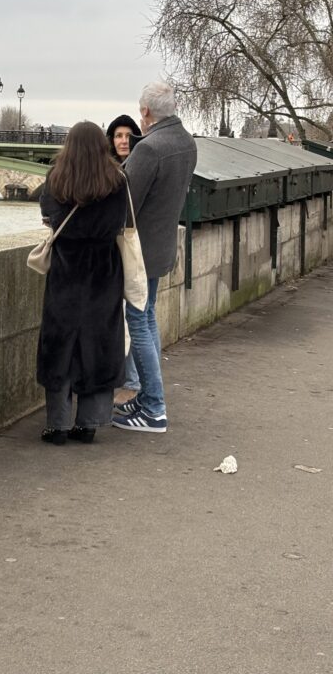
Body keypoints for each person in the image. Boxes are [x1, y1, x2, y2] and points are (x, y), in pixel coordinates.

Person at [112, 83, 197, 434]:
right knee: (147, 319)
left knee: (138, 322)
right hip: (162, 248)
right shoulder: (186, 143)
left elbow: (125, 205)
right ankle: (149, 397)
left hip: (140, 251)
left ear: (145, 112)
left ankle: (153, 408)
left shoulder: (149, 149)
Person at [37, 121, 127, 445]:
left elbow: (48, 217)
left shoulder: (56, 178)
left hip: (67, 267)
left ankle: (57, 424)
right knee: (99, 342)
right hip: (104, 268)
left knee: (60, 344)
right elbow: (121, 222)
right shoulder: (117, 180)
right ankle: (89, 422)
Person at [106, 114, 143, 403]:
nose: (122, 141)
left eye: (128, 135)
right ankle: (128, 379)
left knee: (134, 320)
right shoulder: (111, 171)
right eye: (118, 135)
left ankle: (131, 382)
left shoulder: (132, 170)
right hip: (114, 256)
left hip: (130, 254)